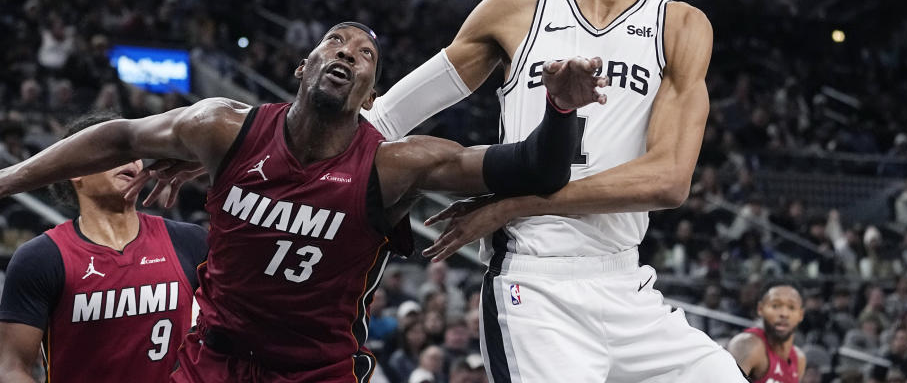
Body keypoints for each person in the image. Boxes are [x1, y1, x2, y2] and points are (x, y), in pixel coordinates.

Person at [0, 22, 606, 383]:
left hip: (314, 372)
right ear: (302, 66)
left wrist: (562, 108)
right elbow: (118, 135)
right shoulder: (222, 128)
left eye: (364, 55)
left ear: (369, 92)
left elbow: (537, 167)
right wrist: (7, 180)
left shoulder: (397, 165)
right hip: (214, 361)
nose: (347, 52)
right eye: (334, 43)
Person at [360, 0, 746, 381]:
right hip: (535, 284)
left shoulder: (680, 25)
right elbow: (388, 116)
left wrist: (515, 203)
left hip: (625, 281)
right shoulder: (517, 7)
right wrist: (269, 141)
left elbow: (669, 180)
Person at [0, 112, 208, 383]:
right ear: (75, 171)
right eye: (112, 152)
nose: (131, 159)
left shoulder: (190, 241)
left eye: (134, 151)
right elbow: (12, 367)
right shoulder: (41, 258)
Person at [727, 279, 807, 383]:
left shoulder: (799, 359)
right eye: (775, 306)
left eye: (791, 307)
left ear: (801, 315)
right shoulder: (746, 345)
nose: (784, 314)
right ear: (760, 309)